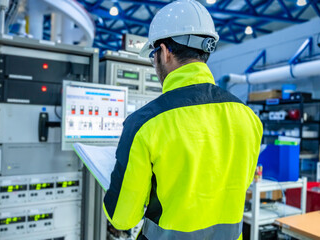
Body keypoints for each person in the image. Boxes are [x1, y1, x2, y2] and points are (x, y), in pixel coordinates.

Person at [102, 0, 263, 239]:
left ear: (164, 52)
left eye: (153, 55)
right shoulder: (248, 117)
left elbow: (123, 217)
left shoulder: (145, 124)